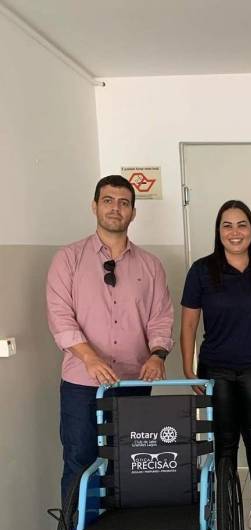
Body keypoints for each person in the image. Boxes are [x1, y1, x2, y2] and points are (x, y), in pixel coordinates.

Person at [47, 175, 174, 505]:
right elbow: (60, 316)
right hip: (82, 384)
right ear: (94, 206)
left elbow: (161, 318)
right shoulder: (69, 259)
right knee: (80, 461)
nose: (115, 208)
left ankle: (121, 528)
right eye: (108, 200)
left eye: (123, 203)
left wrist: (157, 355)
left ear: (133, 212)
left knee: (130, 462)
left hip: (133, 381)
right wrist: (89, 357)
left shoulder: (151, 265)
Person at [180, 200, 251, 529]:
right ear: (218, 231)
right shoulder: (202, 270)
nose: (235, 232)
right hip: (216, 368)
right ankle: (225, 499)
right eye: (227, 225)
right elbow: (189, 324)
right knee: (224, 438)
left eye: (242, 225)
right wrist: (188, 369)